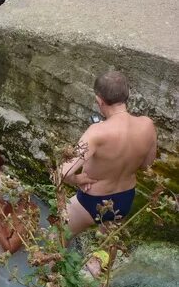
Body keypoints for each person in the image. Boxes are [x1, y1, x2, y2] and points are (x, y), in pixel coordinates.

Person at [62, 71, 157, 237]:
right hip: (124, 199)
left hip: (91, 201)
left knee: (55, 240)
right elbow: (146, 165)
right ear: (127, 95)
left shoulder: (96, 132)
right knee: (105, 251)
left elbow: (64, 172)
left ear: (99, 100)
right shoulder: (147, 125)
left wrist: (77, 180)